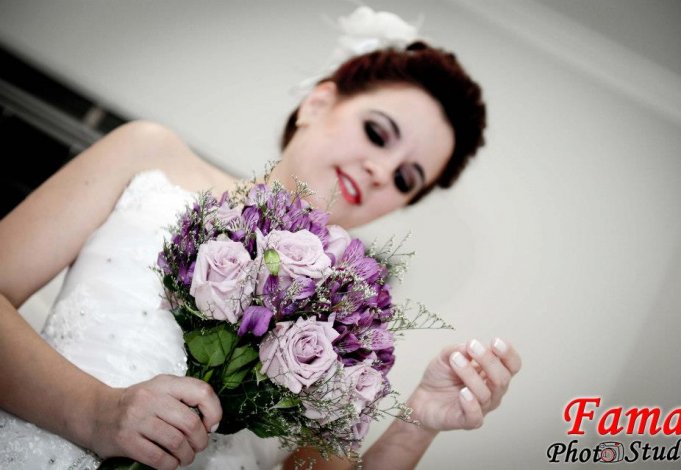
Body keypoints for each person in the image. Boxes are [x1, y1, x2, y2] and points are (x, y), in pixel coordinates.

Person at [0, 10, 521, 470]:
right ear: (318, 102)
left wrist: (418, 422)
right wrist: (94, 412)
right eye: (377, 134)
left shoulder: (353, 329)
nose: (382, 171)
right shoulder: (150, 155)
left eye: (406, 179)